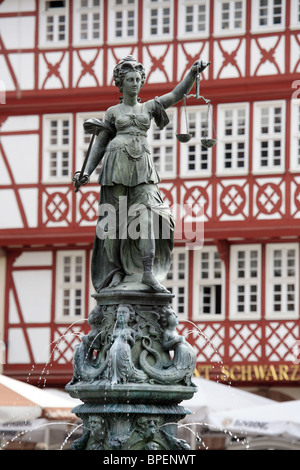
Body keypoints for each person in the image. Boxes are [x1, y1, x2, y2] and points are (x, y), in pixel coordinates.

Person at [74, 56, 209, 293]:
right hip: (116, 166)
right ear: (121, 83)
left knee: (149, 215)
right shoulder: (113, 112)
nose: (135, 83)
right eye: (130, 80)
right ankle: (114, 273)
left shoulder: (149, 107)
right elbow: (100, 144)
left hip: (143, 169)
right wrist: (85, 171)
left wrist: (192, 73)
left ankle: (148, 272)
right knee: (113, 223)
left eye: (138, 79)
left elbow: (176, 95)